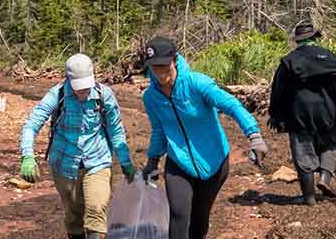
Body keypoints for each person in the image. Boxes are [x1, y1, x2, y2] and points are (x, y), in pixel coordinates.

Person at [139, 37, 265, 239]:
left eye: (163, 65)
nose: (159, 72)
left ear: (174, 59)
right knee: (179, 214)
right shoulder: (151, 97)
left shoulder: (197, 84)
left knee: (199, 219)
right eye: (154, 66)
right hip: (178, 163)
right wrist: (152, 160)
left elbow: (232, 106)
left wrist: (254, 135)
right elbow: (159, 131)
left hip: (214, 161)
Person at [18, 54, 136, 239]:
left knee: (96, 210)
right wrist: (27, 155)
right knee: (74, 218)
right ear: (67, 79)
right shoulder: (57, 95)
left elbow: (115, 130)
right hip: (64, 165)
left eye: (86, 86)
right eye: (78, 87)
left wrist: (125, 162)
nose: (83, 92)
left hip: (98, 162)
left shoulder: (104, 96)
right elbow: (31, 124)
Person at [268, 21, 336, 206]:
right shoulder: (328, 57)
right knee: (332, 145)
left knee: (303, 152)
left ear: (298, 41)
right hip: (329, 113)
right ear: (314, 38)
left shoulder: (289, 61)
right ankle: (325, 179)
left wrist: (276, 115)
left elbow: (279, 90)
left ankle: (309, 197)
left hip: (299, 114)